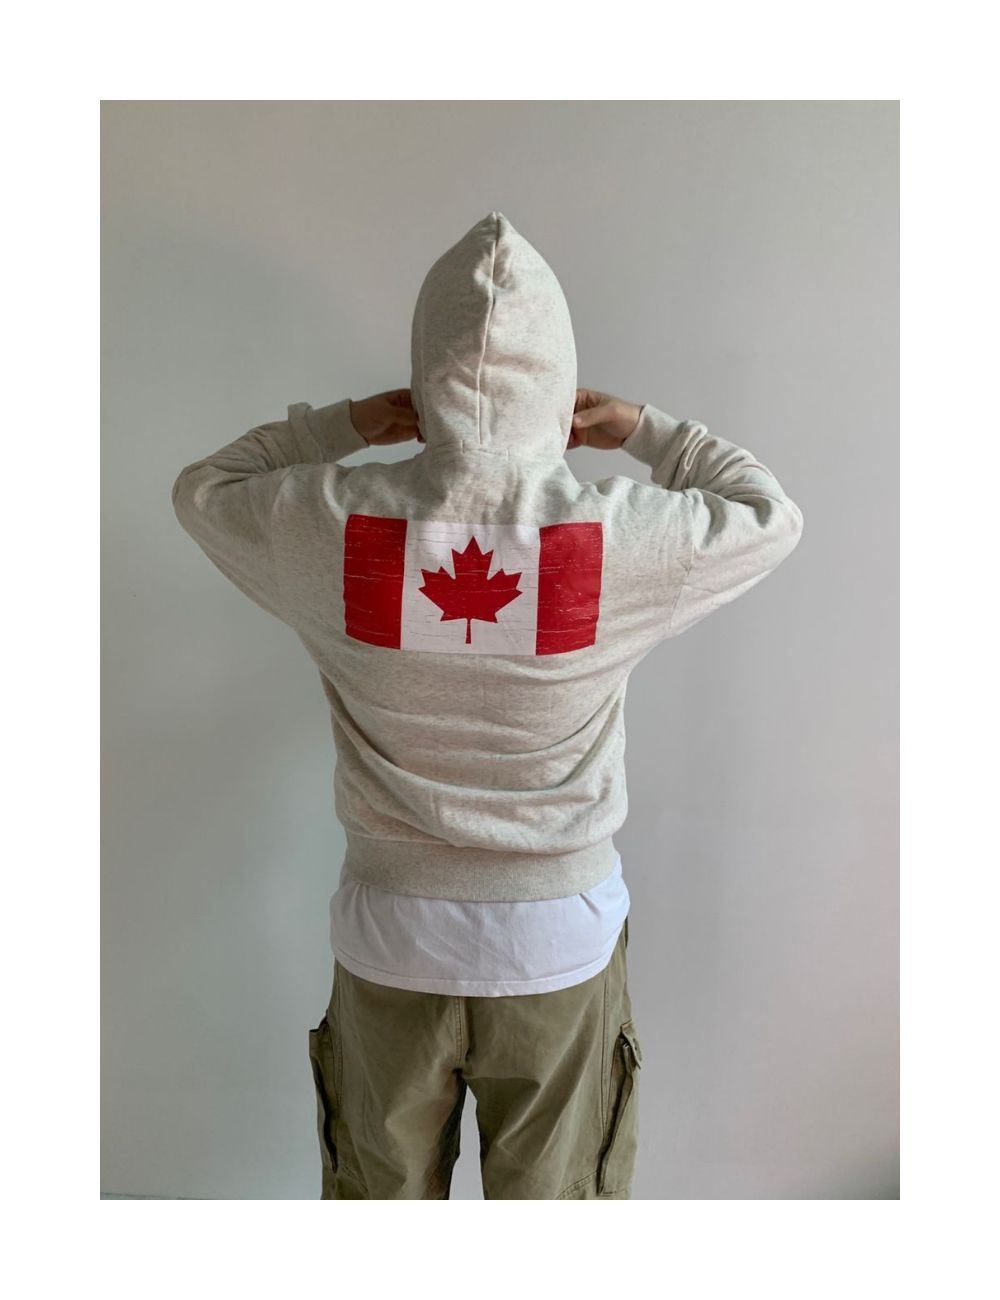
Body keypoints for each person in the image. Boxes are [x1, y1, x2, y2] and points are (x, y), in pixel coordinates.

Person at [171, 210, 804, 1199]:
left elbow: (205, 488)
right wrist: (643, 429)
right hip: (556, 935)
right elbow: (770, 513)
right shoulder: (616, 537)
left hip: (391, 934)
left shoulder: (333, 521)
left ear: (423, 378)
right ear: (558, 380)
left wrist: (348, 424)